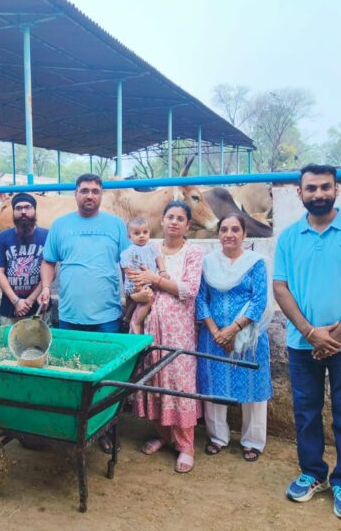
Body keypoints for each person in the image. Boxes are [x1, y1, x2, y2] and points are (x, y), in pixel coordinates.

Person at [273, 164, 341, 521]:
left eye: (325, 187)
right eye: (311, 188)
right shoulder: (289, 237)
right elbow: (281, 288)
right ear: (299, 193)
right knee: (306, 412)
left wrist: (336, 335)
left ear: (336, 189)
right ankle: (313, 473)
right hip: (301, 343)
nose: (318, 194)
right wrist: (309, 332)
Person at [38, 173, 129, 453]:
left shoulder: (116, 225)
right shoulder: (60, 226)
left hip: (108, 316)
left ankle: (106, 430)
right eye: (84, 191)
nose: (90, 195)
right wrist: (45, 288)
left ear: (102, 195)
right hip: (69, 315)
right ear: (75, 194)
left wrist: (132, 300)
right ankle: (73, 428)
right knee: (71, 373)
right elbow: (48, 261)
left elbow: (128, 264)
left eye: (95, 191)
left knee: (108, 377)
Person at [128, 200, 203, 474]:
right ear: (162, 220)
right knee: (154, 378)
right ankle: (163, 433)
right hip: (150, 324)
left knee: (179, 381)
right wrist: (139, 292)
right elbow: (135, 284)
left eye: (180, 218)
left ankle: (186, 445)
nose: (173, 221)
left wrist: (155, 280)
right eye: (169, 216)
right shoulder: (149, 249)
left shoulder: (193, 252)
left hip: (179, 328)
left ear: (187, 225)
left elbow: (188, 289)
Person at [196, 213, 273, 462]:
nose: (229, 234)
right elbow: (201, 299)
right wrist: (216, 331)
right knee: (213, 385)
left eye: (235, 230)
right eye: (224, 229)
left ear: (244, 234)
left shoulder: (256, 262)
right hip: (213, 336)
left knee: (253, 386)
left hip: (248, 337)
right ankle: (217, 437)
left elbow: (259, 299)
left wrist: (233, 330)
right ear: (218, 234)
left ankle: (253, 441)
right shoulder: (207, 263)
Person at [0, 193, 48, 322]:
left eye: (28, 207)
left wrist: (30, 300)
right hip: (10, 306)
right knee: (10, 341)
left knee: (40, 341)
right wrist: (16, 301)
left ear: (35, 210)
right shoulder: (3, 237)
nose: (23, 212)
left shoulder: (47, 236)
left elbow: (51, 272)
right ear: (13, 212)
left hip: (39, 306)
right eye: (18, 208)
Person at [120, 216, 164, 334]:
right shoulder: (129, 251)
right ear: (130, 236)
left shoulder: (152, 247)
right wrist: (137, 282)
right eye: (137, 233)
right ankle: (137, 322)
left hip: (149, 280)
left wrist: (163, 271)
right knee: (148, 298)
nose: (141, 235)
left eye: (145, 232)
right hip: (135, 283)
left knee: (140, 300)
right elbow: (126, 268)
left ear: (149, 232)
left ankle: (128, 318)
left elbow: (158, 258)